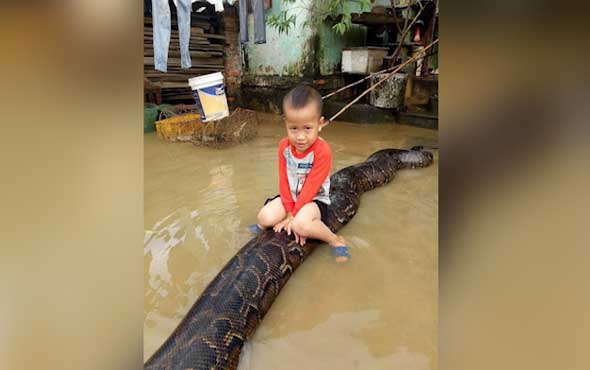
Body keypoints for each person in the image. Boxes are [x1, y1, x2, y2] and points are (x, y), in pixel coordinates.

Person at [249, 84, 350, 263]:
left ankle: (335, 240)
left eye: (307, 128)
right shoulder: (284, 147)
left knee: (301, 225)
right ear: (286, 124)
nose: (300, 137)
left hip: (314, 201)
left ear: (320, 124)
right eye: (293, 128)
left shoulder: (322, 151)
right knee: (264, 217)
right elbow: (284, 181)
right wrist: (288, 210)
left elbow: (312, 186)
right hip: (292, 198)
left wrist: (293, 217)